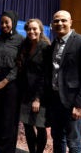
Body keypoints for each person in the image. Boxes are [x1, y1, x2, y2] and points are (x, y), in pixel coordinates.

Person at [49, 10, 81, 153]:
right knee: (57, 138)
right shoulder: (53, 44)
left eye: (63, 20)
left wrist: (80, 105)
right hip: (55, 101)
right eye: (56, 21)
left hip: (73, 103)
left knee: (73, 142)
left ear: (71, 22)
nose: (60, 23)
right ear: (52, 24)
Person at [0, 10, 24, 153]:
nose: (4, 25)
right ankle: (0, 147)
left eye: (7, 22)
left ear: (13, 23)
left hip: (12, 82)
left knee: (9, 119)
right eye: (2, 22)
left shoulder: (20, 40)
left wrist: (5, 81)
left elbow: (20, 64)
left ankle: (8, 150)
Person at [18, 19, 51, 153]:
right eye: (29, 29)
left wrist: (38, 98)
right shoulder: (25, 45)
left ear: (40, 30)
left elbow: (45, 75)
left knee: (40, 126)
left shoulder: (45, 47)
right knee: (27, 125)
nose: (31, 32)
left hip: (40, 94)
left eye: (34, 29)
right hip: (25, 93)